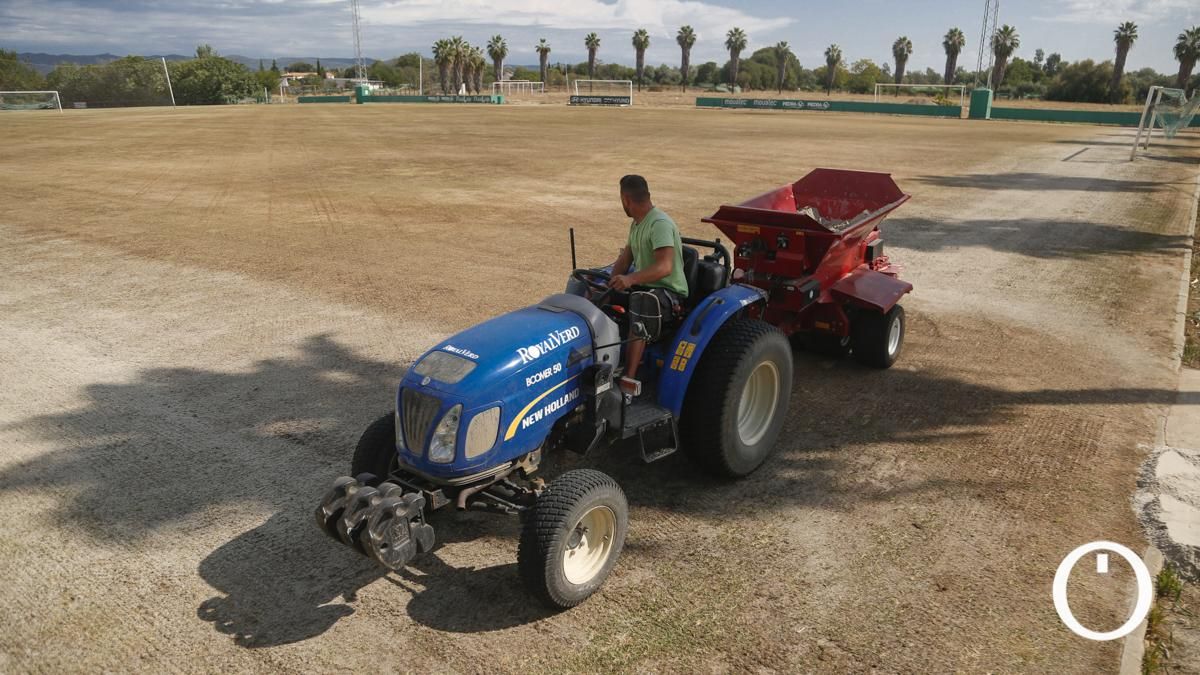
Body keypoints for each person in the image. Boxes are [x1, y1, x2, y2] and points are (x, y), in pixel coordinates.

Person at [607, 175, 688, 394]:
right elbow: (625, 260)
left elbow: (665, 267)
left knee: (643, 302)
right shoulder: (636, 224)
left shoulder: (659, 224)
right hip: (645, 287)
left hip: (669, 293)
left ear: (625, 199)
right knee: (595, 295)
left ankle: (628, 380)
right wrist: (607, 285)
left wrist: (630, 279)